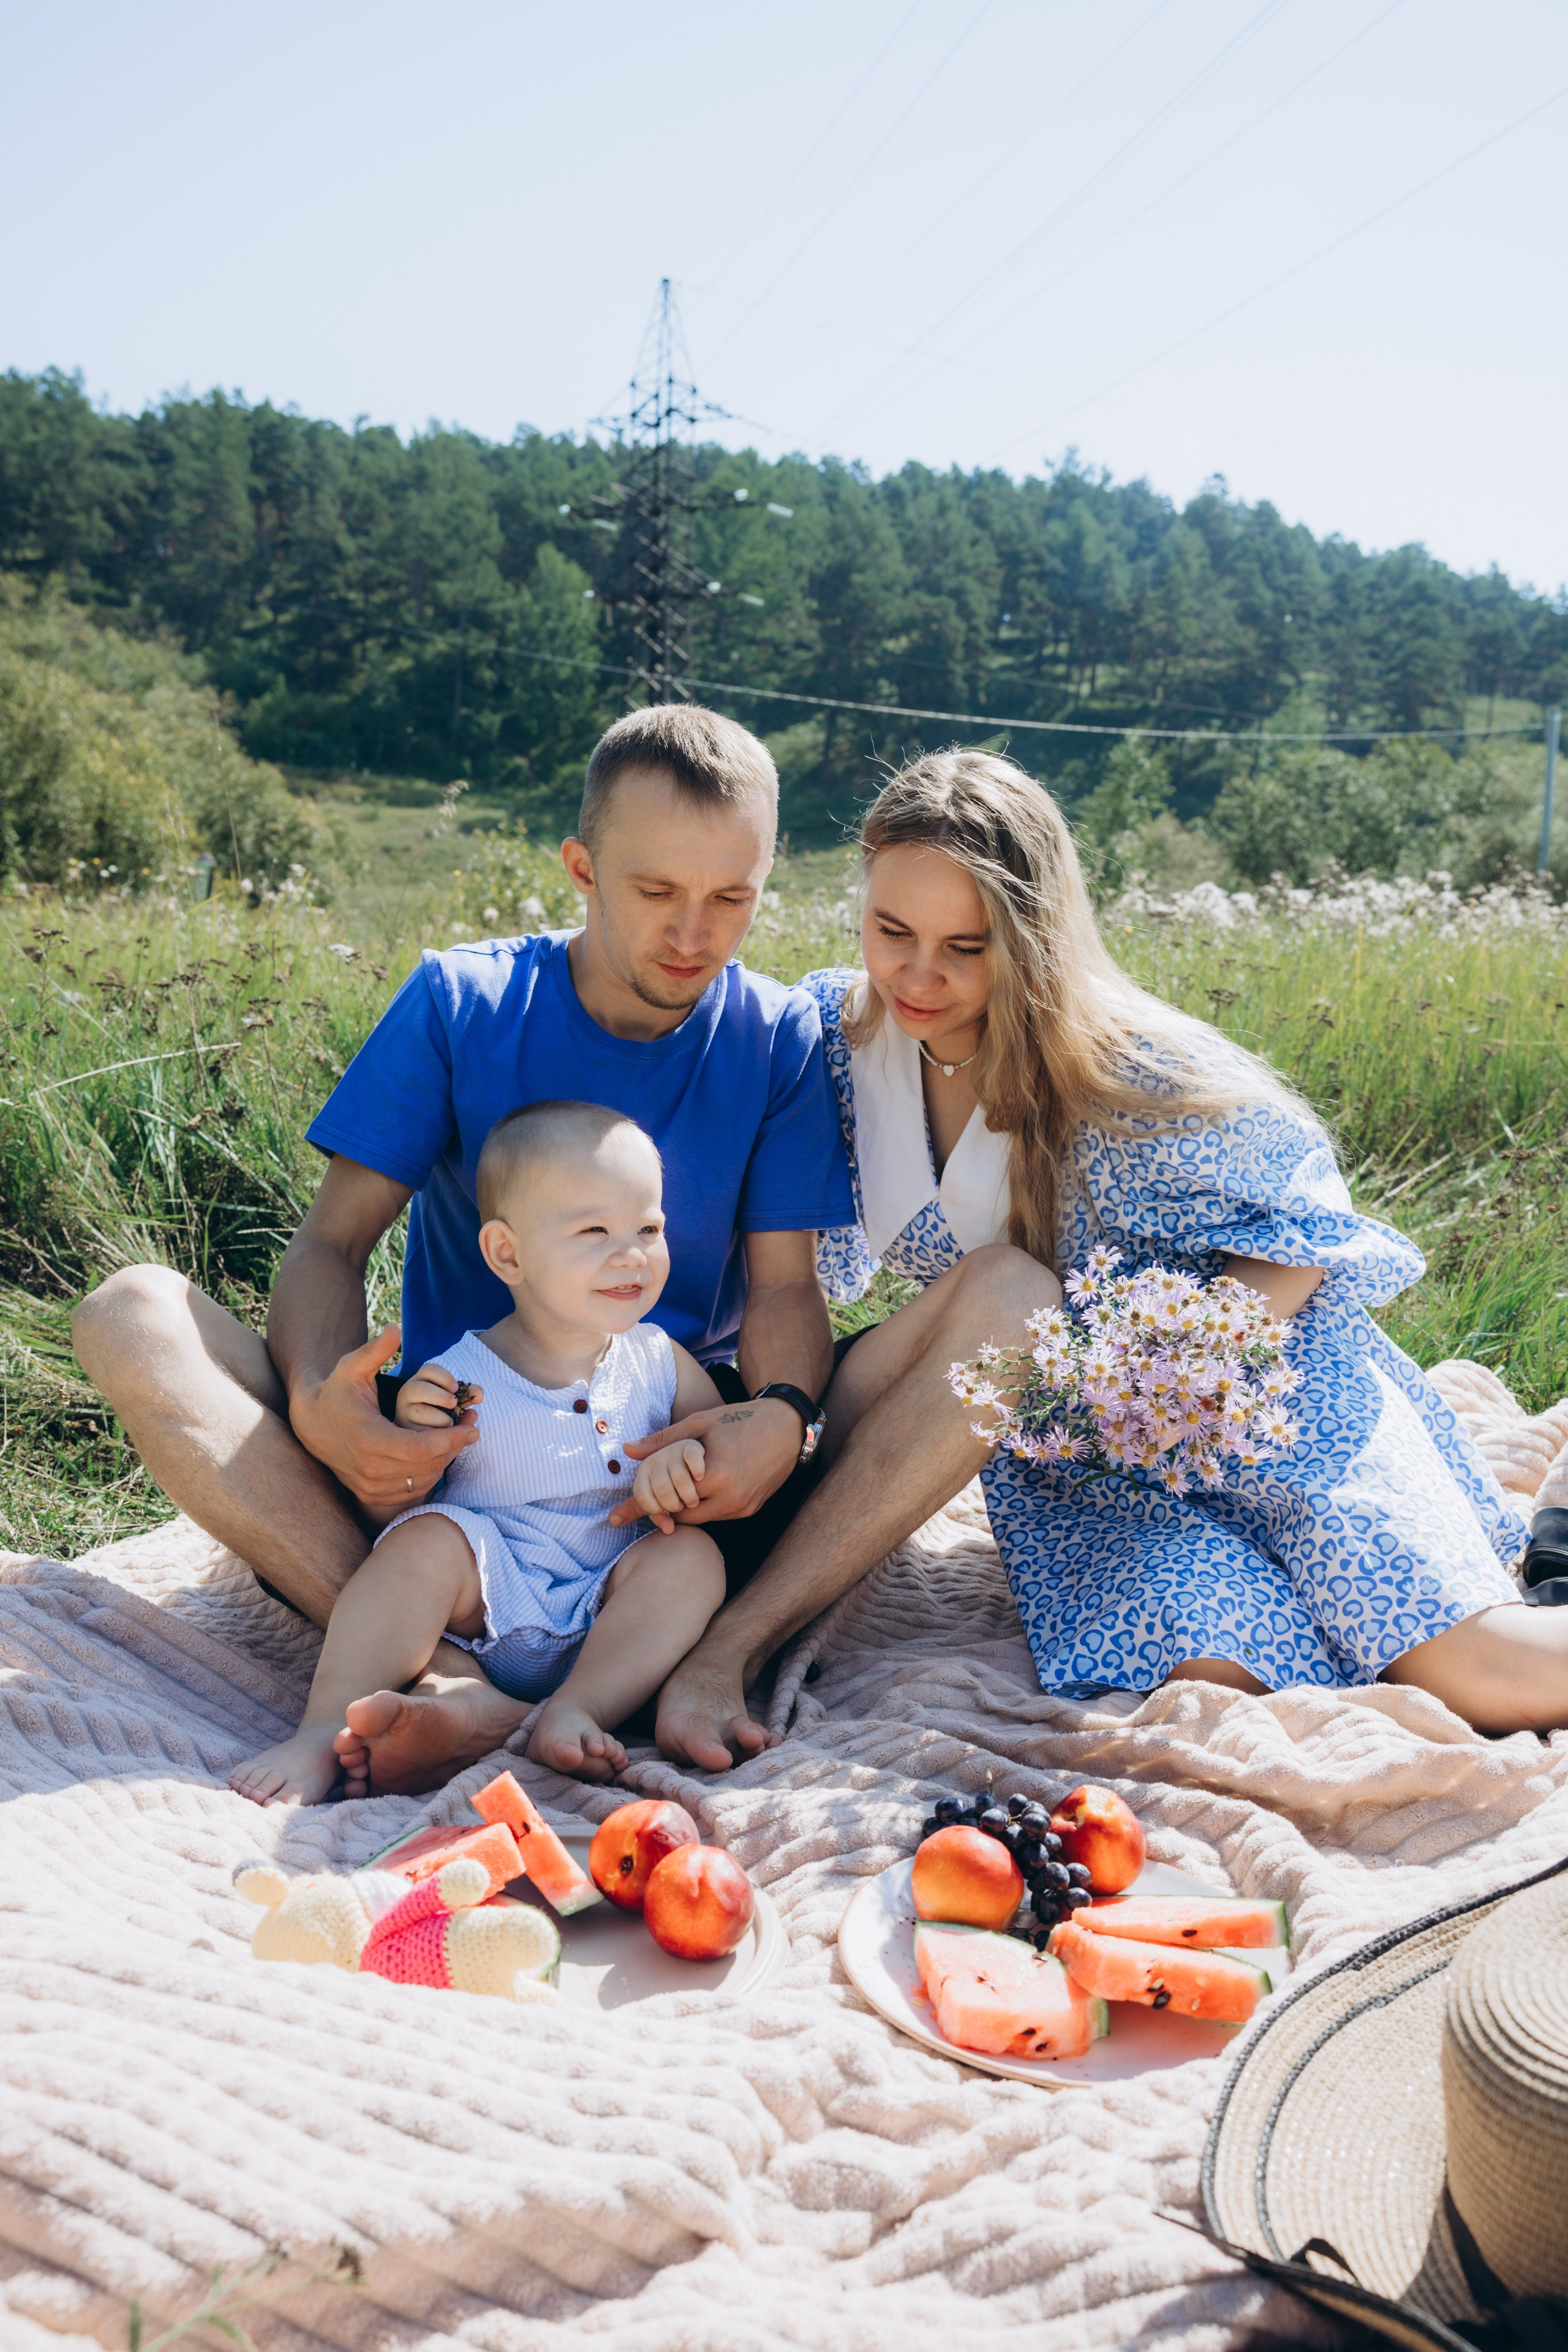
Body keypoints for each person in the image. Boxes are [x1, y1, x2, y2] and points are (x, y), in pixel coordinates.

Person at [72, 703, 862, 1789]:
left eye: (733, 898)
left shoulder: (777, 1037)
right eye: (656, 892)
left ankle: (611, 1670)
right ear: (582, 867)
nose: (694, 934)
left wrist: (781, 1421)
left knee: (991, 1313)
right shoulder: (463, 1000)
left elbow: (786, 1288)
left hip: (670, 1482)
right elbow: (329, 1248)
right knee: (131, 1314)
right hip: (447, 1462)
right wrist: (322, 1404)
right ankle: (442, 1667)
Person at [789, 747, 1568, 1736]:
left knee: (1485, 1678)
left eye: (967, 947)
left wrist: (1188, 1364)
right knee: (1220, 1678)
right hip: (1081, 1461)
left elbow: (1307, 1228)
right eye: (890, 930)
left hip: (1264, 1390)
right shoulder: (833, 1036)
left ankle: (1546, 1558)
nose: (919, 974)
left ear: (1030, 940)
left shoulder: (1130, 1069)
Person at [230, 1101, 727, 1805]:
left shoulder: (660, 1359)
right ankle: (321, 1731)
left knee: (691, 1558)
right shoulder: (463, 1375)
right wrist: (413, 1434)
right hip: (491, 1602)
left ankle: (578, 1708)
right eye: (595, 1231)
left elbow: (716, 1442)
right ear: (507, 1254)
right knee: (424, 1543)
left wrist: (688, 1462)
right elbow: (388, 1501)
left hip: (613, 1606)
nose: (631, 1254)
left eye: (648, 1228)